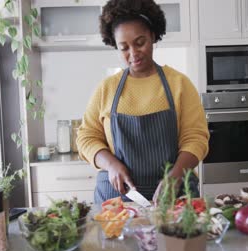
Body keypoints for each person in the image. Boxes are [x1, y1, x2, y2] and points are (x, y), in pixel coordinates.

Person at [76, 0, 209, 204]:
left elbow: (196, 138)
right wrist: (111, 164)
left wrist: (174, 177)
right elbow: (86, 137)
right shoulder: (107, 88)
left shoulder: (180, 85)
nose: (133, 53)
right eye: (124, 48)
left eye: (140, 43)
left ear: (153, 36)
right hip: (116, 196)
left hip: (175, 193)